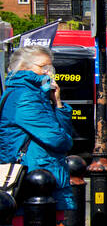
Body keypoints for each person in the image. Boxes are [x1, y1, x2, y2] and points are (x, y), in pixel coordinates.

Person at [0, 45, 77, 214]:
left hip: (42, 177)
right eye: (44, 67)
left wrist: (58, 103)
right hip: (33, 181)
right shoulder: (24, 96)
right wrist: (65, 139)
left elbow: (61, 133)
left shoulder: (36, 95)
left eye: (51, 68)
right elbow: (58, 139)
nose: (49, 73)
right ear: (23, 67)